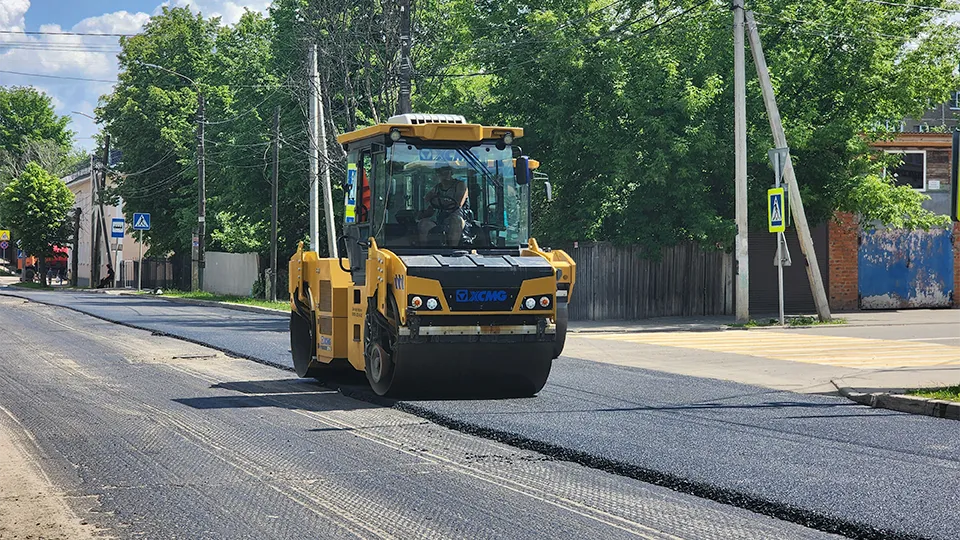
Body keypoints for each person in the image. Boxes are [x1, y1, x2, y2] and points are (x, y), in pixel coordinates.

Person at [417, 166, 468, 246]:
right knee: (423, 224)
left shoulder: (460, 185)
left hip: (457, 214)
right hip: (438, 217)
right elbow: (426, 198)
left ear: (451, 173)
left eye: (447, 172)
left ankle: (452, 249)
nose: (446, 175)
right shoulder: (437, 187)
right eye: (442, 173)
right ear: (438, 174)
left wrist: (440, 202)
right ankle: (423, 250)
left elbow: (459, 203)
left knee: (455, 221)